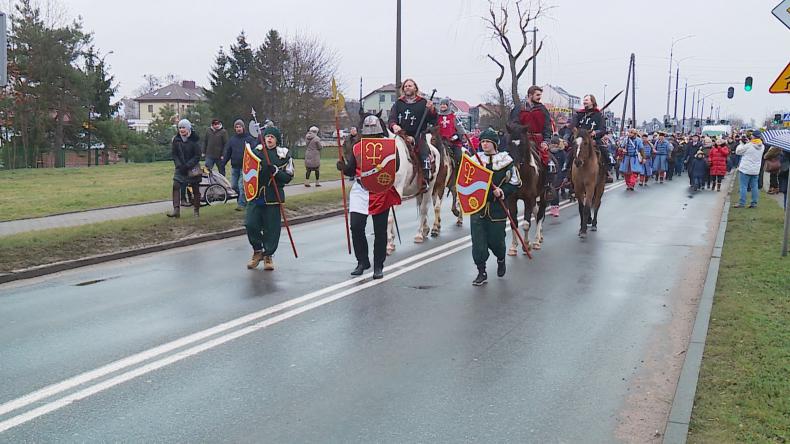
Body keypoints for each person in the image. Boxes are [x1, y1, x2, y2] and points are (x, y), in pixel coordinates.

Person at [337, 115, 402, 280]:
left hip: (381, 190)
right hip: (361, 190)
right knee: (356, 227)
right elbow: (352, 170)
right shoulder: (357, 147)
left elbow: (395, 166)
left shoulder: (389, 146)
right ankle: (362, 261)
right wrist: (344, 167)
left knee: (380, 232)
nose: (372, 134)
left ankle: (378, 265)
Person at [468, 128, 521, 286]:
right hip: (478, 207)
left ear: (494, 144)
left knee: (497, 242)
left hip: (497, 208)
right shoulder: (475, 160)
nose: (484, 144)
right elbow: (466, 181)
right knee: (478, 242)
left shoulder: (505, 160)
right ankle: (481, 271)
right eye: (482, 141)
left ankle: (501, 258)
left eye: (487, 142)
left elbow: (515, 182)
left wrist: (502, 191)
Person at [245, 126, 295, 270]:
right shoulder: (256, 153)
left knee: (271, 228)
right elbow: (249, 171)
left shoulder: (284, 155)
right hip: (256, 195)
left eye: (272, 137)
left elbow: (288, 177)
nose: (269, 139)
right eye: (267, 136)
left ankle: (268, 255)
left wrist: (276, 171)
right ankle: (257, 251)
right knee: (250, 224)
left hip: (273, 196)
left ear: (276, 139)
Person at [388, 78, 437, 191]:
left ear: (415, 88)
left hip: (418, 135)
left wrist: (432, 109)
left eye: (410, 86)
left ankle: (425, 178)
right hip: (401, 135)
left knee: (423, 152)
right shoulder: (398, 103)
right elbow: (392, 118)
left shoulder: (423, 102)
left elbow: (433, 120)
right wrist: (394, 125)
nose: (407, 88)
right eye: (405, 86)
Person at [566, 94, 612, 182]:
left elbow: (602, 129)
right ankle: (567, 173)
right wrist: (574, 130)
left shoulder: (598, 115)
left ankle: (607, 171)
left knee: (604, 151)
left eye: (587, 100)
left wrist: (596, 132)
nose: (584, 102)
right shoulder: (579, 114)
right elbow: (572, 125)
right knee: (571, 152)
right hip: (580, 139)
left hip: (593, 139)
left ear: (592, 102)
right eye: (584, 100)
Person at [167, 119, 201, 218]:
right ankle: (176, 210)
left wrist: (188, 165)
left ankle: (196, 211)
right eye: (180, 128)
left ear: (188, 129)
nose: (182, 130)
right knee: (176, 186)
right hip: (180, 168)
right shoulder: (176, 140)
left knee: (195, 189)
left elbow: (197, 155)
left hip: (192, 168)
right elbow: (174, 154)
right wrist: (179, 165)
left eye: (183, 128)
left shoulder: (194, 141)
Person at [509, 85, 551, 166]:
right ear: (530, 95)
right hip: (522, 139)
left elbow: (547, 127)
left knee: (549, 163)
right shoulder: (519, 109)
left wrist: (546, 141)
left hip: (538, 141)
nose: (539, 97)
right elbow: (513, 124)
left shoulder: (543, 109)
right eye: (537, 95)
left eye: (540, 95)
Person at [223, 120, 257, 210]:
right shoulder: (232, 140)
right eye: (237, 127)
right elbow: (228, 152)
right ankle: (241, 199)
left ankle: (242, 204)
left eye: (240, 127)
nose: (238, 129)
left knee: (241, 185)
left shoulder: (249, 139)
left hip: (245, 167)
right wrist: (223, 163)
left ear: (243, 128)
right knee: (234, 186)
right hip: (235, 166)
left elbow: (254, 151)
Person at [733, 131, 765, 208]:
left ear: (753, 136)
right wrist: (748, 143)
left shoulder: (749, 145)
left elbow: (738, 152)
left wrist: (742, 144)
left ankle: (742, 203)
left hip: (745, 169)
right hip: (755, 170)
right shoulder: (762, 146)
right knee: (754, 187)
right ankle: (754, 203)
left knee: (743, 186)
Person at [436, 97, 464, 165]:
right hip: (441, 141)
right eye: (441, 104)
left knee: (458, 158)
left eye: (445, 104)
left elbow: (460, 130)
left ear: (448, 106)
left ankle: (457, 173)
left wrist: (455, 137)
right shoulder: (437, 117)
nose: (443, 106)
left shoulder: (453, 117)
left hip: (453, 143)